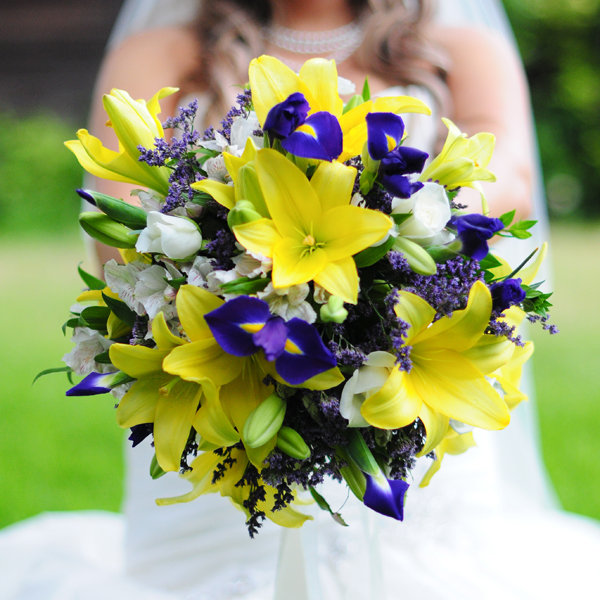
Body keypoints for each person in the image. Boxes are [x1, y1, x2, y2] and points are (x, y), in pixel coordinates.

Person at [1, 1, 599, 599]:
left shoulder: (460, 49)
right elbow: (118, 238)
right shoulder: (159, 50)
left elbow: (509, 189)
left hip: (415, 414)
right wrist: (247, 295)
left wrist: (370, 283)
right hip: (218, 426)